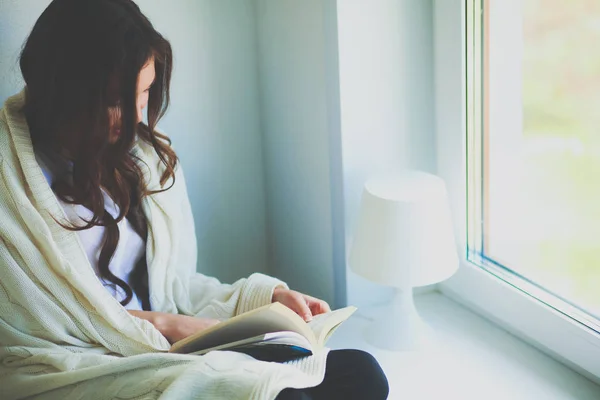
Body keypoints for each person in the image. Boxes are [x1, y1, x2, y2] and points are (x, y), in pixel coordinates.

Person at [0, 0, 389, 399]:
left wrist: (264, 300)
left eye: (146, 91)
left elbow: (177, 288)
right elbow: (36, 338)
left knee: (362, 373)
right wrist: (163, 325)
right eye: (118, 100)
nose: (137, 117)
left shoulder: (143, 159)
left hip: (173, 342)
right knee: (282, 396)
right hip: (94, 369)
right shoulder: (9, 191)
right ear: (66, 95)